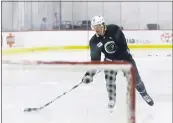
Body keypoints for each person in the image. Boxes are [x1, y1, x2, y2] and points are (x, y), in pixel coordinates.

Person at [81, 15, 154, 112]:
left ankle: (144, 93)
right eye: (94, 27)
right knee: (109, 80)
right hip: (110, 62)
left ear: (103, 25)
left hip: (125, 58)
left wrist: (111, 58)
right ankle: (112, 99)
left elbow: (123, 47)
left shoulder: (114, 30)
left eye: (98, 26)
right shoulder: (94, 42)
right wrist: (89, 75)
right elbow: (95, 61)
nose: (96, 29)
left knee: (135, 79)